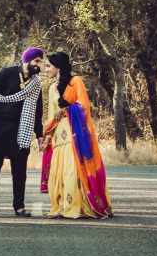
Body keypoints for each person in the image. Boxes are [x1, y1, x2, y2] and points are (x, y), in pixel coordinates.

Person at [0, 47, 45, 217]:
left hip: (22, 130)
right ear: (27, 60)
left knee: (19, 170)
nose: (39, 65)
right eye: (37, 61)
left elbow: (38, 109)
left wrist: (39, 134)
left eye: (41, 62)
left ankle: (19, 206)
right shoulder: (7, 73)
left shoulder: (36, 83)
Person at [38, 51, 113, 219]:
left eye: (49, 66)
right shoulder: (51, 89)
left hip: (74, 136)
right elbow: (51, 117)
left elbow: (83, 105)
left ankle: (79, 207)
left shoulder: (75, 81)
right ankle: (63, 206)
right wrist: (46, 139)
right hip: (58, 138)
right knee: (60, 174)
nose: (46, 69)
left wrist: (65, 108)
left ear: (58, 67)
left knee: (73, 171)